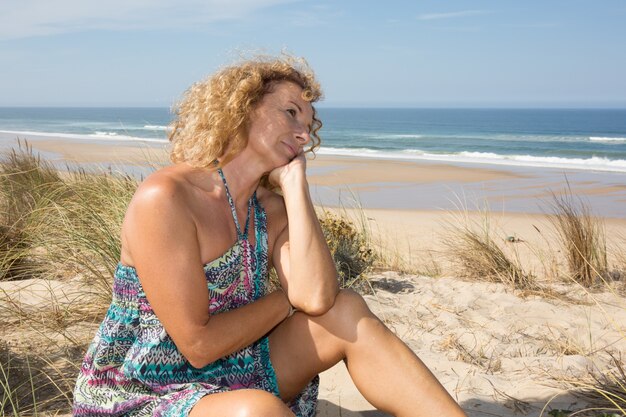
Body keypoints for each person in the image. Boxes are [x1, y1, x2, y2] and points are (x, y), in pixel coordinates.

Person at [72, 55, 467, 417]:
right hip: (142, 388)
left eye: (309, 127)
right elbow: (198, 346)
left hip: (234, 368)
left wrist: (296, 188)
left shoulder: (271, 209)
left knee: (345, 310)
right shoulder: (167, 198)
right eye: (291, 113)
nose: (303, 135)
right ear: (242, 108)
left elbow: (316, 298)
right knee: (256, 411)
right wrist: (285, 301)